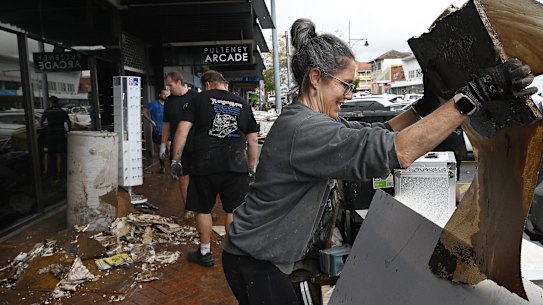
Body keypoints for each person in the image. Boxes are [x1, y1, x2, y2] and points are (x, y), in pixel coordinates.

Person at [220, 18, 537, 305]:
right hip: (254, 261)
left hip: (258, 256)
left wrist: (425, 107)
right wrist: (475, 95)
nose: (348, 94)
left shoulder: (311, 120)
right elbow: (397, 151)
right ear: (316, 77)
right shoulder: (304, 130)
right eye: (346, 84)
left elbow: (377, 133)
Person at [171, 70, 259, 267]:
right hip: (236, 166)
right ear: (224, 84)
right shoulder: (242, 103)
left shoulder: (199, 99)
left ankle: (205, 252)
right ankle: (236, 253)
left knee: (202, 208)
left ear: (208, 84)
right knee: (234, 209)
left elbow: (182, 130)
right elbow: (252, 139)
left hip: (204, 165)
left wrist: (176, 160)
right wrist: (251, 167)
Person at [162, 71, 196, 213]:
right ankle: (188, 209)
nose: (169, 88)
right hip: (178, 146)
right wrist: (163, 144)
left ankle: (203, 208)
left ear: (178, 82)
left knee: (200, 178)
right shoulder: (169, 101)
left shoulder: (196, 97)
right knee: (182, 177)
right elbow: (166, 124)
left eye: (170, 85)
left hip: (196, 143)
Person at [41, 96, 71, 179]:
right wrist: (68, 132)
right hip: (60, 134)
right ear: (57, 102)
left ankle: (46, 171)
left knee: (47, 153)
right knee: (59, 154)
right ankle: (59, 172)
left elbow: (42, 123)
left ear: (50, 102)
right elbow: (68, 123)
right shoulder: (63, 112)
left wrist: (46, 128)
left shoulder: (47, 111)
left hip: (49, 135)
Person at [142, 88, 169, 173]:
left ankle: (171, 165)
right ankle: (162, 167)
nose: (165, 96)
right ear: (160, 95)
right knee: (161, 150)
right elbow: (143, 111)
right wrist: (150, 121)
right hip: (158, 130)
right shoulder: (154, 104)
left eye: (167, 94)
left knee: (169, 149)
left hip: (169, 130)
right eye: (164, 94)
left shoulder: (170, 104)